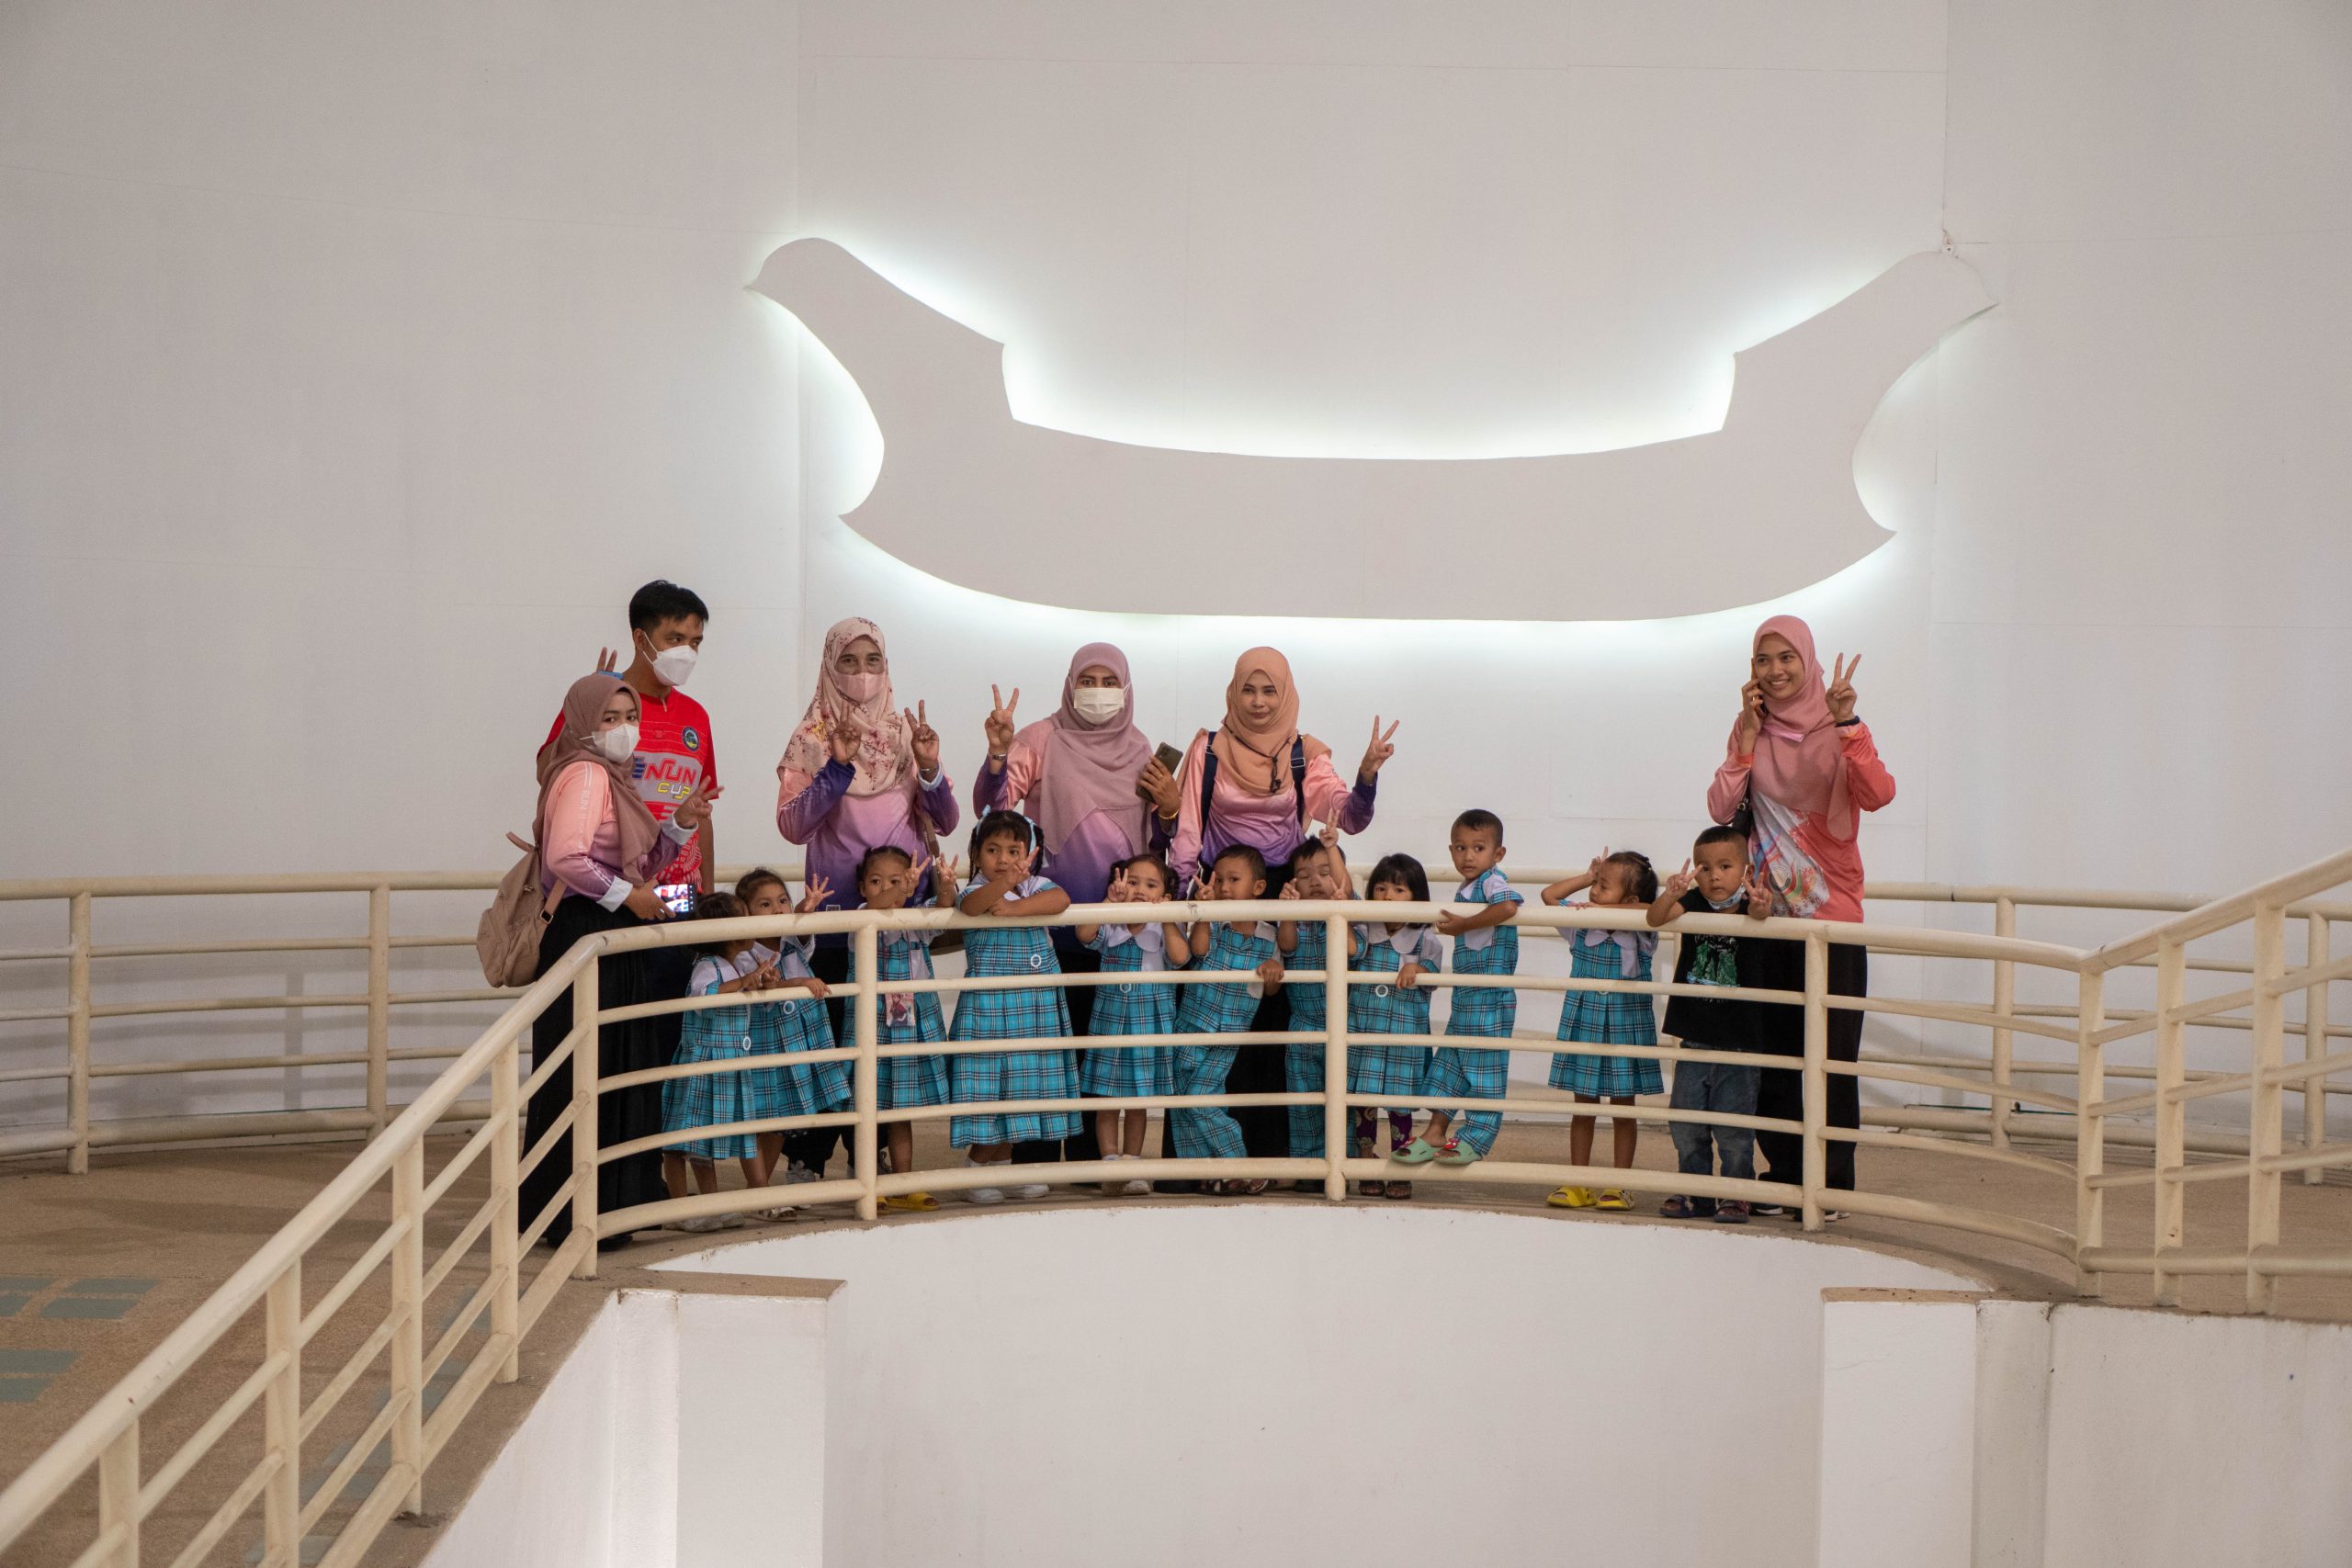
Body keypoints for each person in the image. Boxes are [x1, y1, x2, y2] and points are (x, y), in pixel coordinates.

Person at [1167, 649, 1395, 1165]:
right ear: (1233, 692)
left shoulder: (1304, 752)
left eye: (1270, 690)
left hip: (1281, 893)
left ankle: (1273, 1155)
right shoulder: (1207, 748)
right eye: (1248, 689)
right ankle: (1202, 1165)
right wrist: (1186, 901)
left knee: (1273, 1027)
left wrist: (1366, 777)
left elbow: (1344, 814)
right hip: (1221, 891)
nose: (1259, 701)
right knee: (1207, 1020)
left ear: (1286, 693)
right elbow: (1188, 830)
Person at [519, 674, 718, 1248]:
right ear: (583, 722)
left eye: (630, 717)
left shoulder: (613, 778)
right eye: (610, 717)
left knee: (611, 1067)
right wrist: (625, 897)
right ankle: (575, 1214)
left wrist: (680, 823)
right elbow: (568, 858)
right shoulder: (584, 774)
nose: (624, 728)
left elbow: (639, 861)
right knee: (589, 1071)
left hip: (609, 929)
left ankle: (605, 1209)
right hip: (588, 930)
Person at [1707, 615, 1895, 1213]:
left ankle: (1830, 1184)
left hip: (1831, 920)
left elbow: (1878, 793)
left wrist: (1847, 725)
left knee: (1833, 1060)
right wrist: (1744, 741)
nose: (1775, 670)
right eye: (1763, 659)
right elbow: (1720, 808)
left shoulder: (1838, 726)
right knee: (1776, 1059)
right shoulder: (1751, 727)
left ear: (1807, 660)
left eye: (1787, 657)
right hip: (1768, 918)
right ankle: (1787, 1175)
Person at [976, 645, 1179, 1168]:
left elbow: (1153, 845)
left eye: (1109, 681)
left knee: (1101, 1049)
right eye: (1087, 680)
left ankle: (1094, 1165)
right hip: (1044, 928)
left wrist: (1170, 809)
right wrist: (998, 756)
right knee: (1044, 1047)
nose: (1097, 691)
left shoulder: (1140, 749)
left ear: (1126, 689)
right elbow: (994, 812)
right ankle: (1037, 1161)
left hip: (1117, 933)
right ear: (1069, 685)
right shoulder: (1041, 738)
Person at [775, 617, 956, 1184]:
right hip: (836, 926)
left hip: (899, 929)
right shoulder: (811, 737)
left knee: (886, 1050)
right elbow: (793, 826)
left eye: (872, 660)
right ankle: (807, 1161)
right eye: (848, 661)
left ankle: (869, 1158)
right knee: (832, 1046)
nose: (861, 672)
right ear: (829, 666)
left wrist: (930, 767)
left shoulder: (906, 734)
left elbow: (946, 821)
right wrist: (836, 766)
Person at [657, 888, 833, 1233]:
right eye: (743, 917)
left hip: (728, 1063)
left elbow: (760, 989)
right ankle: (681, 1210)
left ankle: (713, 1206)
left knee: (710, 1141)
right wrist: (745, 982)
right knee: (682, 1142)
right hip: (702, 1064)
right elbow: (704, 995)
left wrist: (783, 981)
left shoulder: (735, 964)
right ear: (726, 931)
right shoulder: (708, 966)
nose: (751, 922)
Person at [543, 580, 720, 892]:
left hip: (682, 892)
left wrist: (708, 893)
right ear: (640, 639)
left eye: (695, 642)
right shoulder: (599, 705)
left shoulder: (697, 715)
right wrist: (587, 711)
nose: (687, 652)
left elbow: (702, 812)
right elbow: (547, 772)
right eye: (675, 639)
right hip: (615, 890)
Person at [948, 811, 1081, 1201]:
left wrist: (1016, 908)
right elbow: (973, 907)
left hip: (1034, 1006)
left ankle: (1004, 1168)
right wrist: (1005, 885)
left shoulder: (1035, 886)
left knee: (1024, 1087)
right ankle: (975, 1170)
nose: (1004, 859)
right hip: (990, 1009)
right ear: (976, 853)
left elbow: (1061, 899)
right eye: (993, 850)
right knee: (991, 1088)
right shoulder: (974, 888)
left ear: (1029, 854)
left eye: (1013, 851)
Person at [1645, 829, 1776, 1223]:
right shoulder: (1693, 901)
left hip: (1741, 1041)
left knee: (1734, 1129)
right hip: (1695, 1036)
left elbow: (1761, 915)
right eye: (1705, 868)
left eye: (1725, 866)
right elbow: (1654, 919)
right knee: (1686, 1123)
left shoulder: (1751, 904)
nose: (1715, 875)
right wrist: (1670, 892)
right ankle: (1695, 1191)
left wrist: (1761, 905)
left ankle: (1736, 1194)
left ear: (1745, 871)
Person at [1541, 850, 1663, 1213]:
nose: (1594, 892)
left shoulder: (1641, 931)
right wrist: (1587, 878)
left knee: (1624, 1109)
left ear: (1630, 901)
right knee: (1583, 1107)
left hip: (1627, 1026)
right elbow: (1549, 896)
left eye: (1603, 886)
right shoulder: (1581, 922)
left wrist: (1614, 910)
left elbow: (1656, 911)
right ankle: (1579, 1182)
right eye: (1595, 884)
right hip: (1586, 1025)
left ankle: (1620, 1185)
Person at [1401, 809, 1521, 1168]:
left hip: (1490, 993)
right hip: (1467, 993)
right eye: (1460, 847)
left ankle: (1475, 1138)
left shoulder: (1492, 881)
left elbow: (1508, 906)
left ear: (1498, 854)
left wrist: (1463, 925)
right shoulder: (1468, 886)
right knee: (1449, 1062)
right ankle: (1435, 1131)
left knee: (1484, 1067)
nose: (1468, 856)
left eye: (1479, 848)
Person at [1168, 845, 1284, 1194]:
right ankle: (1205, 1172)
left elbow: (1272, 990)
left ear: (1258, 887)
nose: (1224, 887)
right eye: (1219, 880)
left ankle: (1237, 1162)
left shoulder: (1269, 935)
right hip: (1191, 1024)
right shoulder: (1212, 922)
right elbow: (1199, 950)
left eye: (1234, 880)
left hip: (1230, 1032)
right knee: (1183, 1099)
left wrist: (1273, 970)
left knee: (1200, 1098)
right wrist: (1204, 912)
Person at [1075, 852, 1191, 1192]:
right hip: (1110, 1024)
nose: (1140, 890)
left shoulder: (1163, 928)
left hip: (1148, 1025)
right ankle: (1110, 1163)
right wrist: (1108, 903)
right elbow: (1084, 933)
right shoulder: (1113, 922)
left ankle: (1132, 1162)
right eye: (1133, 882)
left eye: (1150, 885)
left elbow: (1180, 957)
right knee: (1107, 1100)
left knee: (1139, 1101)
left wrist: (1167, 918)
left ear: (1164, 896)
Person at [858, 844, 958, 1213]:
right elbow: (880, 906)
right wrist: (901, 889)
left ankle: (903, 1181)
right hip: (872, 1023)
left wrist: (946, 885)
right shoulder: (862, 916)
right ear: (863, 887)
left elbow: (944, 906)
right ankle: (869, 1184)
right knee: (869, 1107)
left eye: (897, 880)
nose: (886, 888)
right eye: (876, 881)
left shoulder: (917, 917)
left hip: (913, 1021)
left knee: (902, 1109)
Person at [1350, 853, 1442, 1201]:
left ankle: (1400, 1165)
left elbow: (1434, 978)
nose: (1387, 896)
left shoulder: (1424, 939)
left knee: (1399, 1104)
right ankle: (1365, 1160)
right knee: (1363, 1099)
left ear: (1417, 898)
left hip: (1404, 1036)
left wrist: (1418, 970)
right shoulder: (1362, 931)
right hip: (1364, 1031)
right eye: (1381, 888)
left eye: (1399, 890)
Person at [1274, 835, 1350, 1178]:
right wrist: (1288, 912)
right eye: (1304, 876)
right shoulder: (1298, 919)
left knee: (1342, 1099)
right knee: (1303, 1101)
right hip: (1303, 1025)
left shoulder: (1348, 912)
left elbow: (1351, 946)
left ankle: (1342, 1164)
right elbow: (1287, 946)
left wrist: (1340, 900)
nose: (1315, 881)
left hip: (1344, 1025)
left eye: (1325, 872)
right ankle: (1308, 1168)